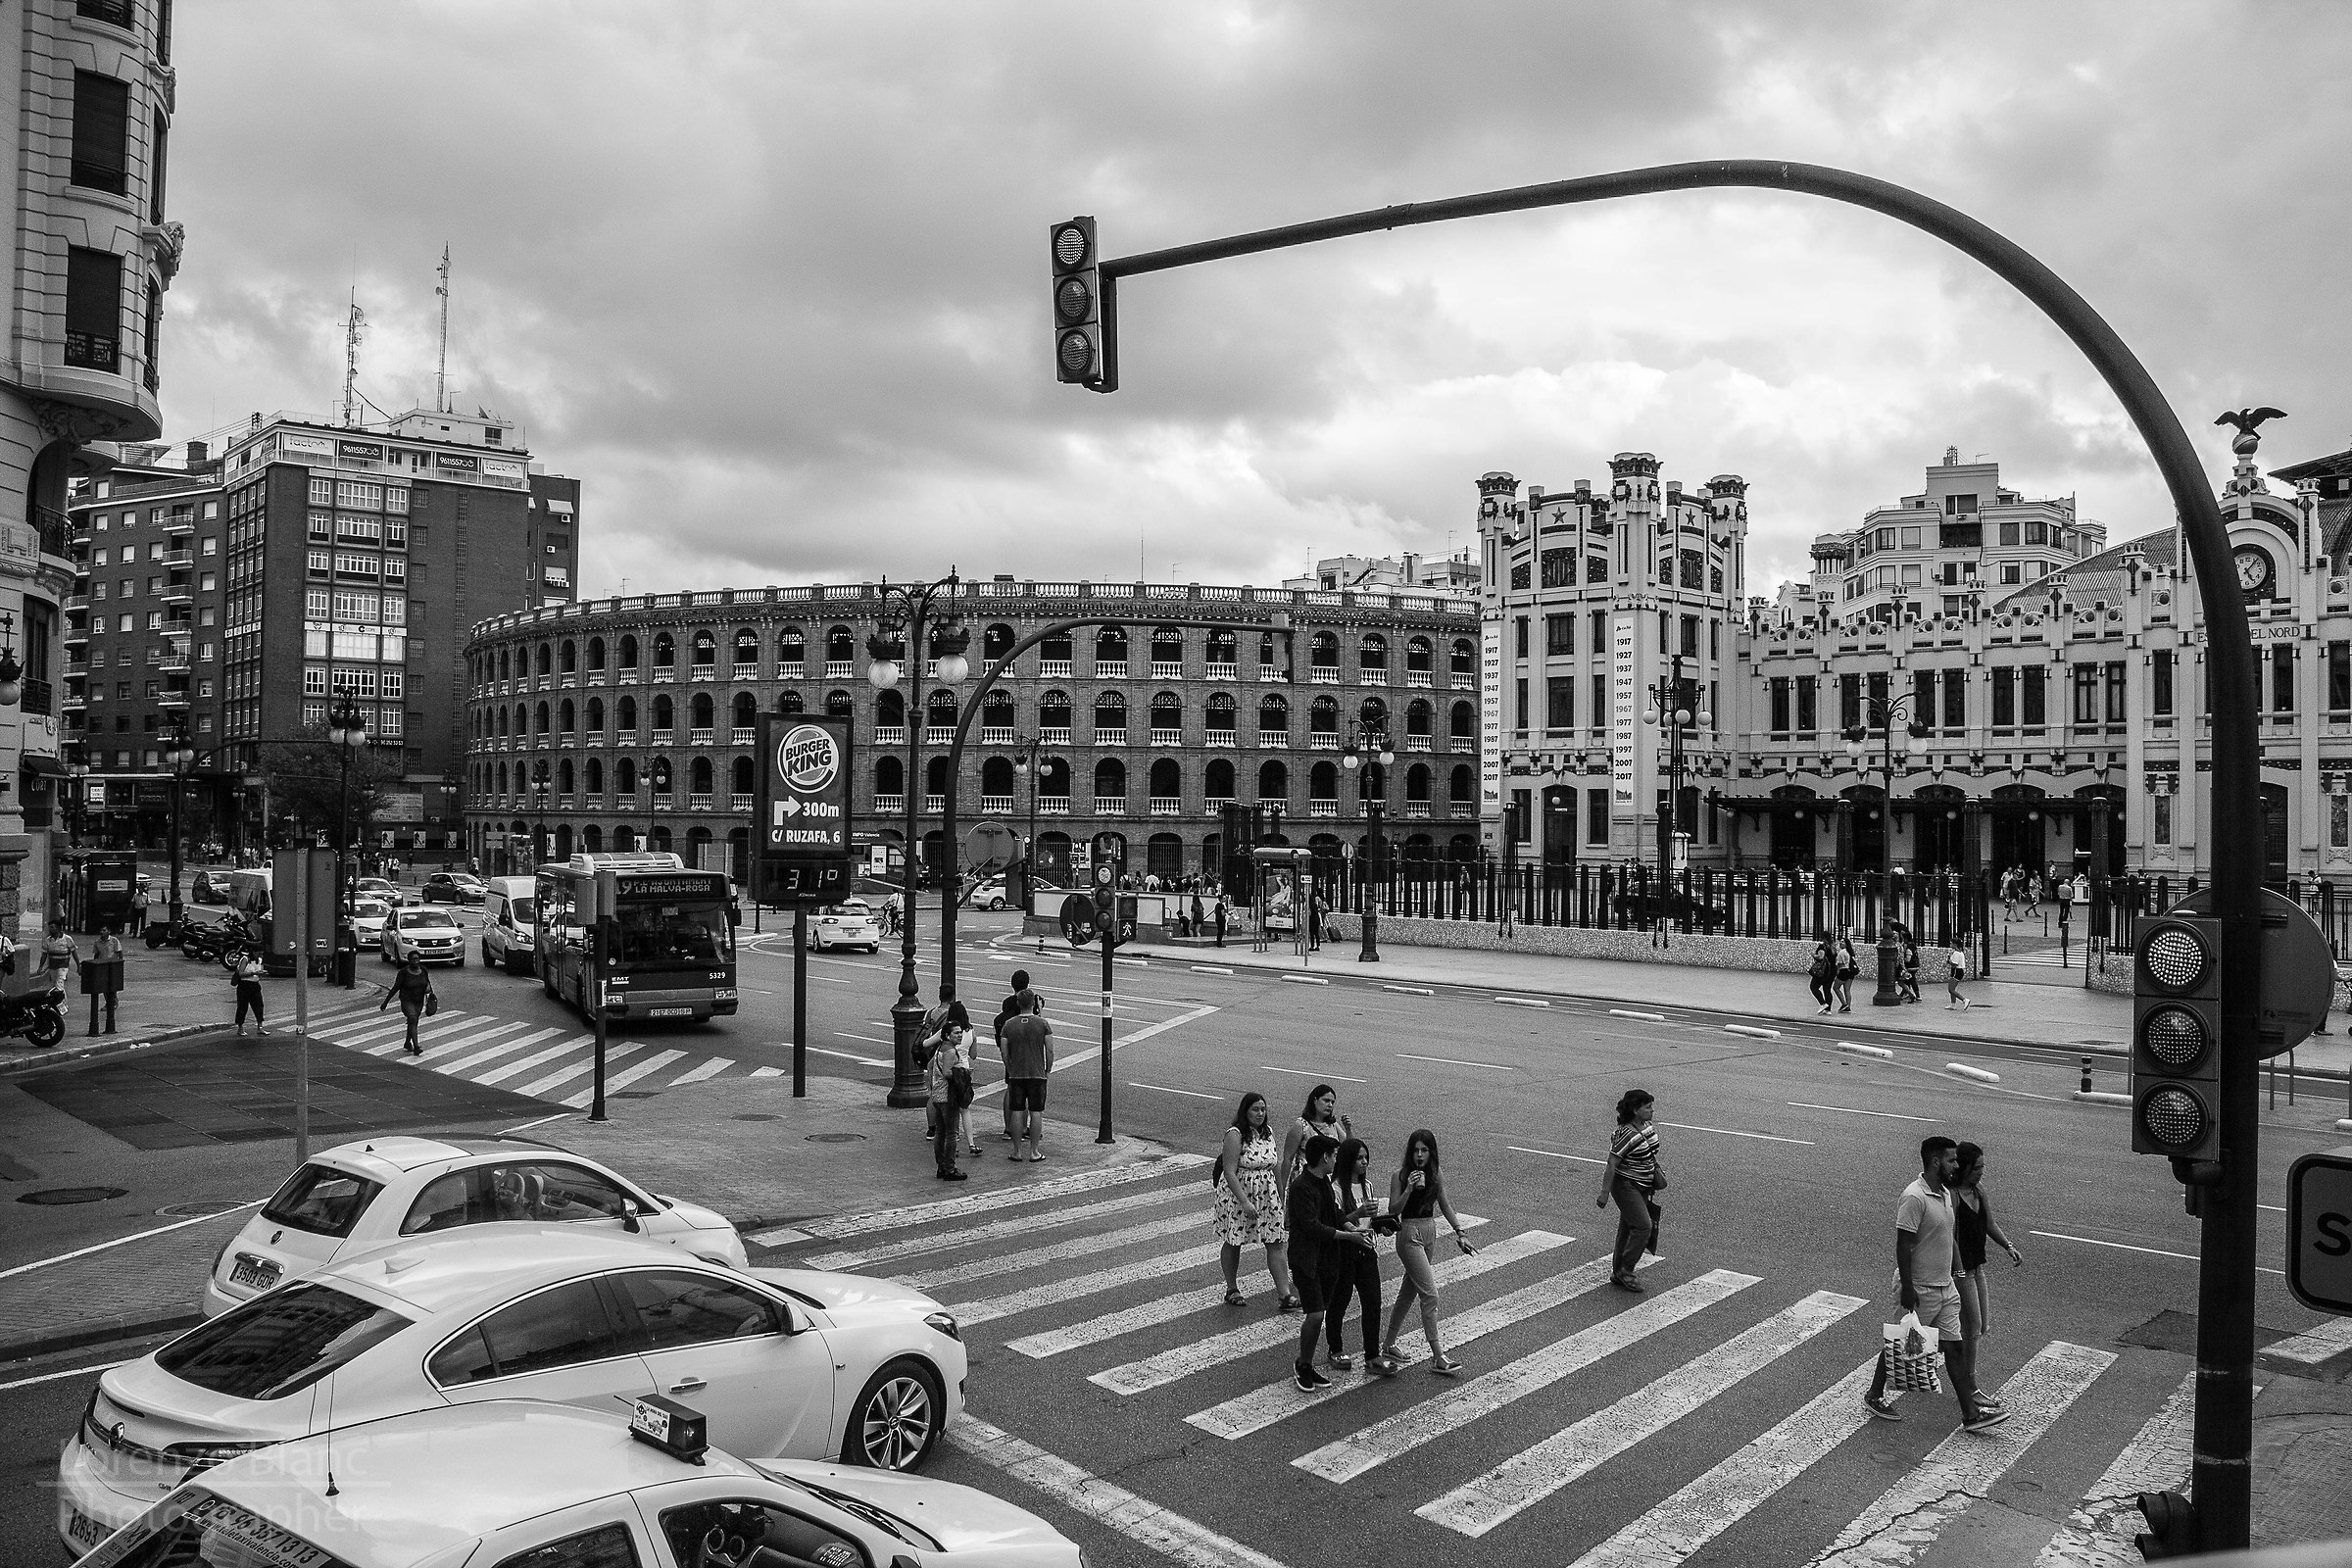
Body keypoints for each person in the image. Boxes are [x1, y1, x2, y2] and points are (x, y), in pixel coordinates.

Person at [1864, 1135, 2005, 1432]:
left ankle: (1970, 1416)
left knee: (1954, 1349)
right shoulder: (1914, 1197)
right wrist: (1909, 1289)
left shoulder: (1943, 1194)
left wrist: (1957, 1274)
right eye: (1952, 1160)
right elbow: (1904, 1245)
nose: (1956, 1165)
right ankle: (1874, 1395)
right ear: (1935, 1161)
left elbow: (1947, 1239)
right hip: (1920, 1287)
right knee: (1901, 1342)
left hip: (1945, 1287)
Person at [1286, 1134, 1374, 1392]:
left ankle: (1307, 1363)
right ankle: (1302, 1365)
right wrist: (1350, 1236)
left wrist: (1352, 1225)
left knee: (1319, 1313)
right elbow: (1314, 1227)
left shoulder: (1323, 1182)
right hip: (1307, 1260)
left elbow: (1334, 1215)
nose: (1336, 1160)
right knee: (1314, 1314)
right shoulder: (1301, 1187)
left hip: (1326, 1260)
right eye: (1334, 1155)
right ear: (1324, 1157)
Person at [1381, 1128, 1472, 1374]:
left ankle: (1388, 1344)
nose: (1420, 1155)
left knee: (1409, 1291)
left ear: (1432, 1153)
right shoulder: (1399, 1176)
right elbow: (1392, 1210)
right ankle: (1438, 1356)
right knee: (1430, 1295)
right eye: (1416, 1150)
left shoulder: (1435, 1174)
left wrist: (1460, 1232)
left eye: (1424, 1150)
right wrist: (1409, 1189)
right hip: (1408, 1234)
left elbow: (1445, 1204)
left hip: (1429, 1232)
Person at [1213, 1092, 1296, 1309]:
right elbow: (1229, 1172)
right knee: (1234, 1240)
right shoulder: (1235, 1134)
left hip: (1267, 1194)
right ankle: (1231, 1288)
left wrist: (1281, 1193)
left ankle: (1284, 1294)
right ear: (1245, 1111)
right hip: (1239, 1195)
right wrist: (1245, 1203)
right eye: (1255, 1110)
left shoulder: (1267, 1132)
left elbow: (1274, 1163)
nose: (1260, 1114)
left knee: (1276, 1241)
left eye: (1263, 1109)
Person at [1323, 1137, 1392, 1374]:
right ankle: (1335, 1348)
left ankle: (1372, 1354)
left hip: (1367, 1250)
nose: (1364, 1162)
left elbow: (1370, 1220)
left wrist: (1383, 1225)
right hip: (1345, 1251)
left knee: (1372, 1302)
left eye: (1366, 1158)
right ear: (1347, 1161)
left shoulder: (1368, 1186)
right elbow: (1338, 1221)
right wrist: (1359, 1213)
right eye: (1359, 1158)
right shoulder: (1335, 1189)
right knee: (1339, 1301)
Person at [1952, 1141, 2024, 1352]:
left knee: (1982, 1326)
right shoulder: (1954, 1195)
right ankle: (1968, 1380)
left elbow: (1989, 1224)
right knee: (1972, 1329)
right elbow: (1951, 1236)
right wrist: (1958, 1270)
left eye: (1983, 1167)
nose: (1981, 1172)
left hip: (1977, 1268)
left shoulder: (1978, 1191)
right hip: (1962, 1272)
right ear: (1964, 1168)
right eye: (1976, 1168)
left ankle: (1955, 1363)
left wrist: (2008, 1246)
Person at [1595, 1089, 1664, 1292]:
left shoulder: (1647, 1127)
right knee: (1643, 1226)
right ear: (1636, 1110)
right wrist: (1604, 1193)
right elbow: (1612, 1163)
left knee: (1627, 1229)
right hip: (1626, 1186)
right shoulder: (1625, 1134)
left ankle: (1619, 1272)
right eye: (1647, 1107)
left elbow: (1650, 1153)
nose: (1652, 1111)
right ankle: (1626, 1269)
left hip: (1644, 1185)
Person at [1000, 981, 1054, 1162]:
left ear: (1018, 1003)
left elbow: (1004, 1051)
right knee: (1036, 1112)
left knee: (1017, 1110)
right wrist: (1047, 1069)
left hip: (1016, 1074)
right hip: (1037, 1074)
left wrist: (1009, 1067)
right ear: (1034, 1003)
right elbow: (1050, 1050)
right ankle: (1034, 1151)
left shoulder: (1008, 1025)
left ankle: (1016, 1151)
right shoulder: (1042, 1024)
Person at [927, 1001, 975, 1181]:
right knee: (951, 1134)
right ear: (947, 1035)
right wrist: (962, 1073)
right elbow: (948, 1072)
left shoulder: (941, 1048)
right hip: (947, 1096)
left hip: (937, 1095)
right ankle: (949, 1168)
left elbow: (931, 1066)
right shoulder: (951, 1052)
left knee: (940, 1132)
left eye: (960, 1033)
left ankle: (941, 1166)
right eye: (956, 1033)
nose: (960, 1036)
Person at [1281, 1083, 1351, 1195]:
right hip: (1306, 1180)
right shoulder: (1301, 1125)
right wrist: (1281, 1189)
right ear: (1314, 1100)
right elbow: (1288, 1158)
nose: (1330, 1105)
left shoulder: (1333, 1125)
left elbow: (1349, 1148)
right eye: (1326, 1100)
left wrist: (1348, 1129)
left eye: (1332, 1102)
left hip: (1329, 1179)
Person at [380, 952, 436, 1055]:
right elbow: (395, 987)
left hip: (419, 1001)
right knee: (413, 1018)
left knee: (413, 1022)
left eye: (417, 959)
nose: (416, 961)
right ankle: (416, 1047)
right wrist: (385, 1002)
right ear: (409, 961)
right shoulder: (403, 973)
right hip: (407, 1000)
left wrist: (431, 997)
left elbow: (427, 983)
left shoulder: (423, 970)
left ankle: (407, 1043)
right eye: (413, 959)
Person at [89, 925, 124, 1034]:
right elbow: (96, 954)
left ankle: (113, 1001)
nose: (102, 932)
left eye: (104, 930)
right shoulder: (97, 942)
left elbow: (119, 952)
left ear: (109, 931)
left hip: (112, 966)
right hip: (102, 966)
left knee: (112, 986)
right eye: (101, 930)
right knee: (104, 986)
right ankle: (109, 1002)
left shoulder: (114, 940)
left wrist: (119, 963)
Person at [230, 947, 268, 1037]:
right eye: (258, 954)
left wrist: (261, 973)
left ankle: (260, 1027)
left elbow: (259, 971)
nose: (259, 956)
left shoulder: (259, 960)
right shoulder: (245, 959)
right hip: (244, 985)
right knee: (242, 1007)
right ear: (253, 952)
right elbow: (241, 973)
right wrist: (254, 973)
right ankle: (240, 1027)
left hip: (255, 985)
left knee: (259, 1006)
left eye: (261, 954)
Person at [1807, 933, 1836, 1014]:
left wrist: (1813, 955)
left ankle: (1823, 1003)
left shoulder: (1822, 946)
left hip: (1823, 971)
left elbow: (1820, 957)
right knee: (1827, 990)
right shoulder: (1833, 947)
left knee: (1813, 987)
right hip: (1832, 971)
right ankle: (1828, 1009)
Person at [1833, 933, 1860, 1012]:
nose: (1840, 943)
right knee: (1847, 989)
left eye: (1843, 942)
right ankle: (1848, 1006)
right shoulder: (1850, 952)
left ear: (1846, 944)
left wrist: (1836, 972)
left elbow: (1839, 964)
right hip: (1850, 972)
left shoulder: (1842, 952)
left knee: (1836, 988)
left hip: (1843, 971)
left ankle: (1844, 1004)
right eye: (1840, 941)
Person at [1898, 928, 1922, 1004]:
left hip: (1911, 967)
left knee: (1911, 980)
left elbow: (1908, 959)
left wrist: (1901, 960)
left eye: (1903, 939)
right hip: (1915, 965)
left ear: (1906, 939)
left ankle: (1917, 996)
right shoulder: (1913, 945)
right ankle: (1904, 994)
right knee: (1907, 980)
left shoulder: (1909, 947)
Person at [1945, 942, 1971, 1009]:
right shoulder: (1960, 952)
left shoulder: (1956, 953)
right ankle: (1953, 1005)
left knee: (1951, 989)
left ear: (1955, 944)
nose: (1950, 945)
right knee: (1952, 988)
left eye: (1952, 943)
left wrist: (1949, 961)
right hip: (1959, 971)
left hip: (1956, 971)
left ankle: (1964, 1000)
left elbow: (1955, 964)